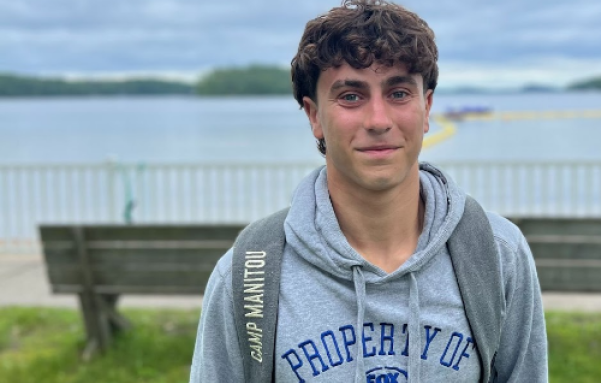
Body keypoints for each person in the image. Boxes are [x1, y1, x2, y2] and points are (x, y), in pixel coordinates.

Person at [189, 1, 548, 382]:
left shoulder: (496, 254)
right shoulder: (249, 275)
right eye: (350, 96)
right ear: (314, 116)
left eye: (398, 93)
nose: (378, 120)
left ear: (426, 108)